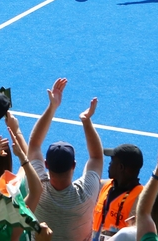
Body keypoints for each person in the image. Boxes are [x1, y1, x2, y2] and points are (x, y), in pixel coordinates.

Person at [27, 78, 103, 241]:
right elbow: (96, 157)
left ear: (46, 165)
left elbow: (33, 146)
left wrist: (52, 107)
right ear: (74, 166)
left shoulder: (36, 190)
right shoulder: (87, 192)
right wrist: (86, 121)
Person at [92, 144, 144, 241]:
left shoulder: (141, 197)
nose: (109, 164)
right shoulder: (105, 186)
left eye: (112, 161)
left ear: (120, 167)